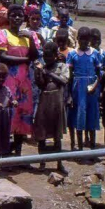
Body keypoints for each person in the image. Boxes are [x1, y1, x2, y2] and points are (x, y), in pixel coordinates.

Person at [0, 4, 39, 157]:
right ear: (8, 17)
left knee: (23, 115)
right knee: (8, 114)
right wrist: (25, 60)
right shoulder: (2, 34)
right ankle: (4, 154)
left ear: (24, 18)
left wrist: (30, 39)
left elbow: (35, 55)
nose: (17, 18)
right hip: (8, 81)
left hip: (25, 82)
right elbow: (2, 56)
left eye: (20, 15)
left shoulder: (30, 35)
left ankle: (18, 154)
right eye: (13, 15)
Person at [33, 42, 69, 174]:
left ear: (56, 55)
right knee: (42, 134)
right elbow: (41, 85)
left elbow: (63, 81)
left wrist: (48, 73)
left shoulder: (62, 66)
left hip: (57, 103)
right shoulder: (42, 67)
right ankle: (42, 162)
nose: (47, 59)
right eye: (45, 56)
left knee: (57, 135)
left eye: (49, 56)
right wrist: (38, 73)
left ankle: (59, 163)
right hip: (44, 102)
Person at [67, 27, 102, 151]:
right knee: (79, 115)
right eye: (81, 39)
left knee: (91, 115)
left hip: (91, 89)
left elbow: (99, 73)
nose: (84, 42)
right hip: (77, 89)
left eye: (86, 39)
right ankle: (80, 148)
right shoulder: (72, 54)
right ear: (77, 39)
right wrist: (69, 94)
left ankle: (92, 147)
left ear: (90, 40)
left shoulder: (95, 53)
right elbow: (69, 76)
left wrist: (95, 86)